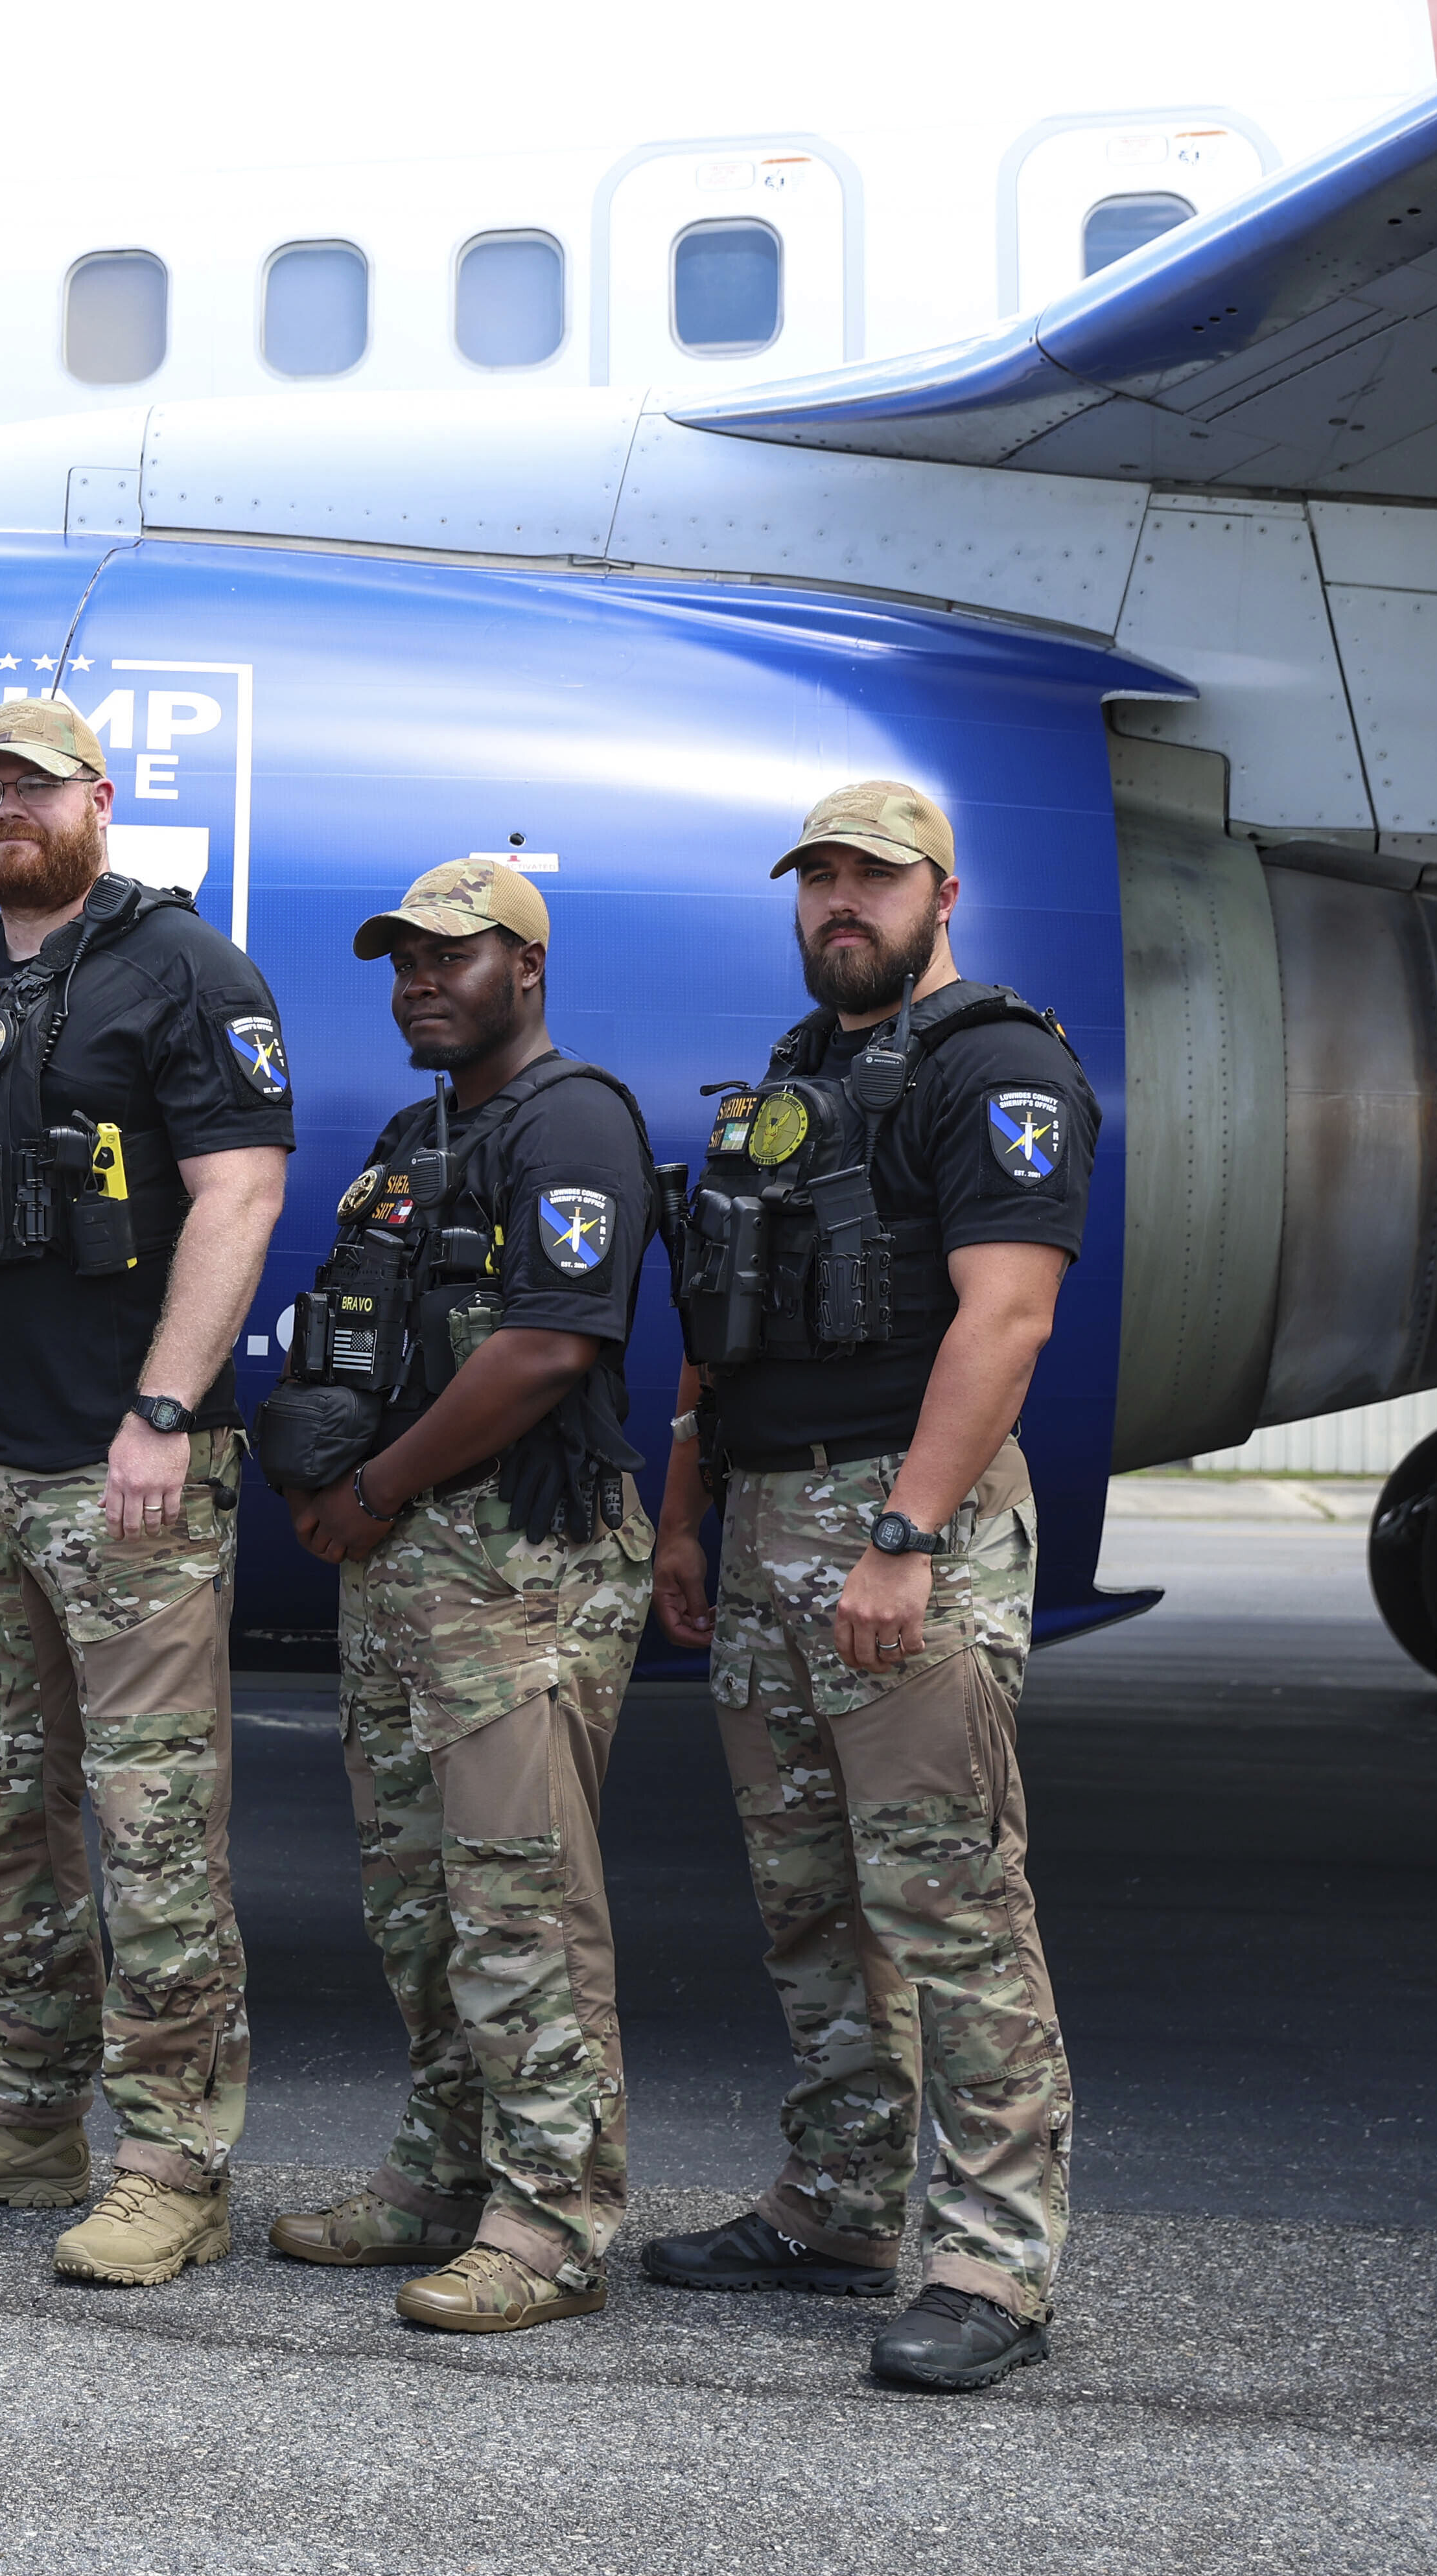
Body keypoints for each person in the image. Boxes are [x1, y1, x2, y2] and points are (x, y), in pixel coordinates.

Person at [0, 699, 292, 2287]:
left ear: (99, 799)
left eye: (35, 786)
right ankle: (24, 2107)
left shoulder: (186, 972)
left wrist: (163, 1409)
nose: (8, 808)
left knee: (157, 1828)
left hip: (128, 1474)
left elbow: (240, 1194)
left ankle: (173, 2155)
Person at [640, 780, 1095, 2395]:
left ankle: (993, 2259)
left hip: (904, 1520)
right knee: (812, 1899)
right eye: (820, 878)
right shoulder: (801, 1073)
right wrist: (690, 1513)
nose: (842, 902)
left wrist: (905, 1534)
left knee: (950, 1902)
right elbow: (727, 1318)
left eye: (873, 879)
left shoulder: (1001, 1067)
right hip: (767, 1516)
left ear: (941, 892)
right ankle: (837, 2208)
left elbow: (1007, 1323)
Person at [251, 859, 656, 2332]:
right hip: (407, 1565)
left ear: (526, 969)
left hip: (517, 1564)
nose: (421, 979)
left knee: (521, 1900)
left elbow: (547, 1345)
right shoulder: (412, 1140)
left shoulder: (576, 1122)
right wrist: (321, 1464)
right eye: (403, 960)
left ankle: (552, 2218)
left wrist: (372, 1490)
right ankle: (440, 2173)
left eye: (452, 956)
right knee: (419, 1898)